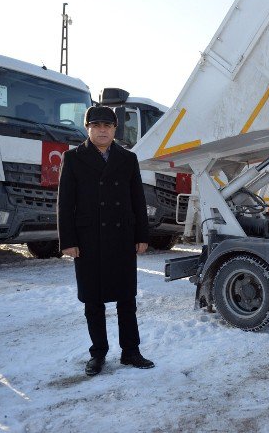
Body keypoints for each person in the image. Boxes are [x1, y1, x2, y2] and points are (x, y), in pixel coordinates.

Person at [57, 105, 154, 376]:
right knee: (93, 300)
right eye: (96, 125)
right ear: (87, 128)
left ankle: (131, 351)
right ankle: (98, 353)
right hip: (88, 239)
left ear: (114, 129)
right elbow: (65, 203)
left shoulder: (128, 158)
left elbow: (138, 199)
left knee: (126, 299)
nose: (102, 130)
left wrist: (142, 235)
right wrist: (68, 240)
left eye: (107, 126)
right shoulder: (73, 158)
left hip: (122, 236)